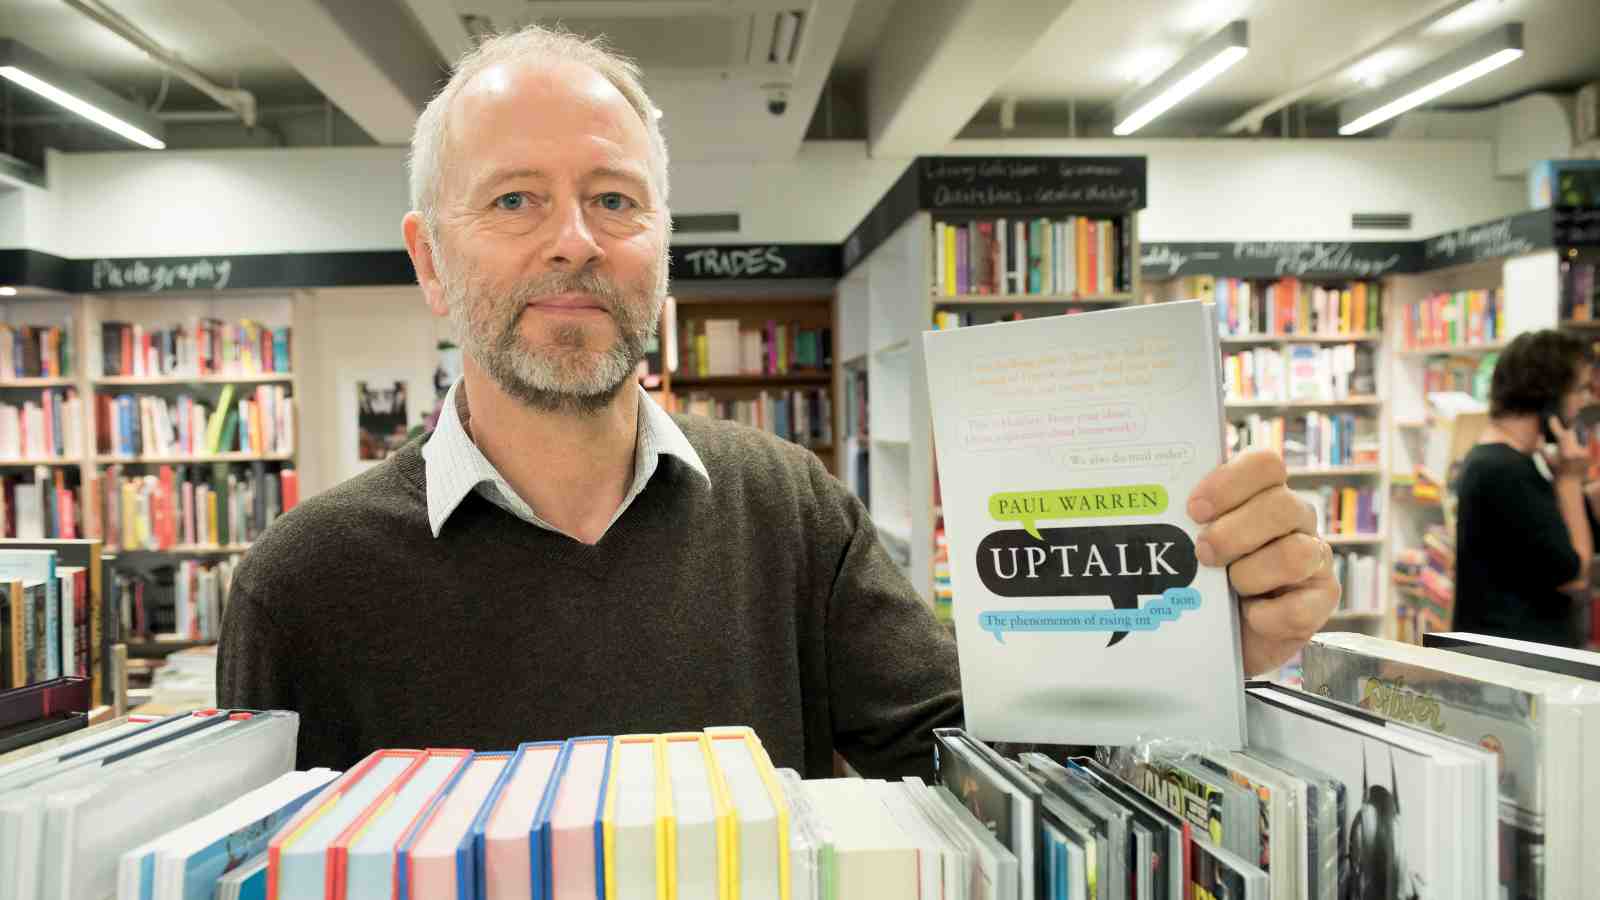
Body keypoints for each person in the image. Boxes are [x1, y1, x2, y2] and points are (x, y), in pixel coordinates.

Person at [216, 24, 1339, 777]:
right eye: (514, 200)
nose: (575, 241)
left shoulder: (790, 512)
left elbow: (976, 762)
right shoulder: (304, 587)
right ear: (427, 259)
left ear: (661, 245)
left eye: (615, 199)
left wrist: (1192, 651)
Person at [1456, 330, 1598, 647]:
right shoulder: (1503, 470)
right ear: (1548, 396)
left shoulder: (1510, 461)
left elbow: (1550, 533)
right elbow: (1573, 574)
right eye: (1578, 390)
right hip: (1512, 666)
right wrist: (1570, 480)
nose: (1583, 401)